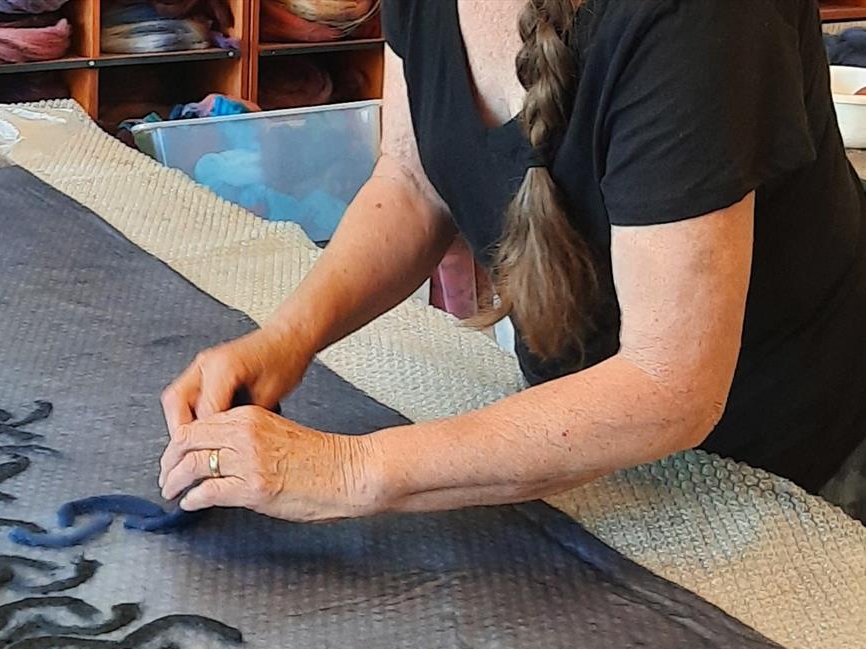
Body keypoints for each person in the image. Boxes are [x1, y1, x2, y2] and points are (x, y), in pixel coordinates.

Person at [158, 0, 866, 524]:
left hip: (787, 464)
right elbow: (411, 181)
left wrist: (348, 470)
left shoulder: (699, 19)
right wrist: (288, 337)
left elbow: (668, 384)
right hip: (595, 443)